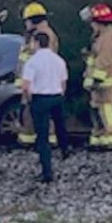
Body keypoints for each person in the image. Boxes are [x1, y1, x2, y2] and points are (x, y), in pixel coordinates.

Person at [20, 32, 70, 183]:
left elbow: (26, 86)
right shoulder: (59, 60)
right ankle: (65, 149)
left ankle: (47, 172)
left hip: (40, 99)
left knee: (42, 138)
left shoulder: (32, 62)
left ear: (36, 43)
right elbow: (63, 83)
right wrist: (61, 95)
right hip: (56, 97)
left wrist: (29, 101)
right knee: (60, 125)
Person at [79, 3, 112, 149]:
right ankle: (99, 138)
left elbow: (105, 60)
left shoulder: (108, 38)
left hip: (105, 81)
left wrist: (96, 79)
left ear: (100, 23)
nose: (91, 25)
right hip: (101, 81)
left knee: (105, 108)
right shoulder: (102, 37)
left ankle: (110, 138)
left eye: (93, 22)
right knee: (97, 108)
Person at [15, 2, 60, 148]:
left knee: (40, 111)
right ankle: (28, 138)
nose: (26, 24)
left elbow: (40, 59)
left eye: (27, 20)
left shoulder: (43, 35)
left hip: (38, 81)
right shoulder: (35, 35)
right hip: (31, 80)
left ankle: (47, 139)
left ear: (34, 20)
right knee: (28, 110)